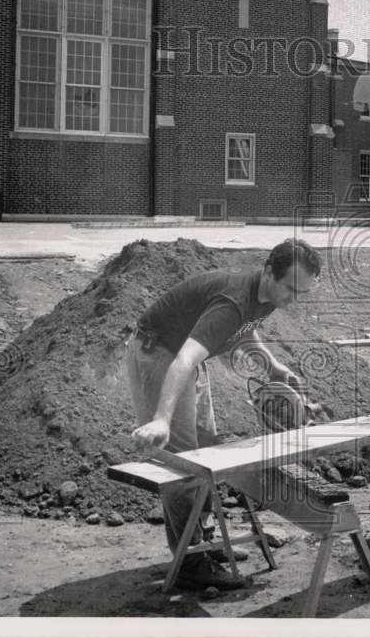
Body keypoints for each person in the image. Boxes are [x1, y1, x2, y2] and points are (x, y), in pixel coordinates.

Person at [126, 238, 322, 591]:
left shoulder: (264, 294)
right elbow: (184, 360)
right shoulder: (231, 302)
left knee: (208, 452)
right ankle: (190, 563)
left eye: (301, 292)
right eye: (291, 289)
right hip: (160, 356)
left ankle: (204, 542)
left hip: (184, 360)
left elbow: (247, 330)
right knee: (184, 462)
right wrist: (161, 420)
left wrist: (273, 367)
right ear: (268, 273)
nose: (293, 299)